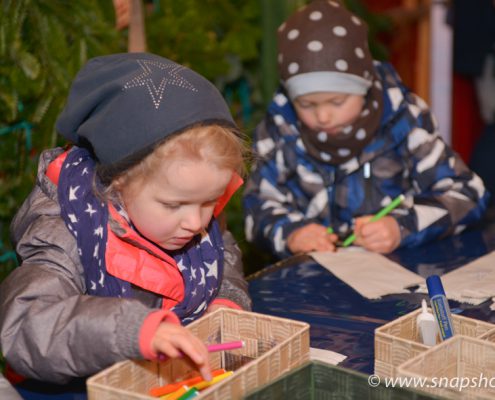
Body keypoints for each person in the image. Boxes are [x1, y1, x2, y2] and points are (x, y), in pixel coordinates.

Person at [0, 53, 251, 389]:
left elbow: (223, 256)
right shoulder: (64, 233)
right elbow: (24, 328)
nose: (195, 222)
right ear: (118, 182)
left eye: (210, 201)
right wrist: (133, 330)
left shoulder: (186, 208)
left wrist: (226, 302)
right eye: (173, 204)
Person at [243, 0, 489, 259]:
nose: (323, 116)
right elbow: (257, 208)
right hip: (312, 283)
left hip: (400, 271)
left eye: (337, 102)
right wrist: (291, 233)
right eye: (306, 104)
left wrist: (401, 227)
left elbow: (469, 194)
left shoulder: (403, 120)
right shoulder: (279, 130)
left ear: (365, 86)